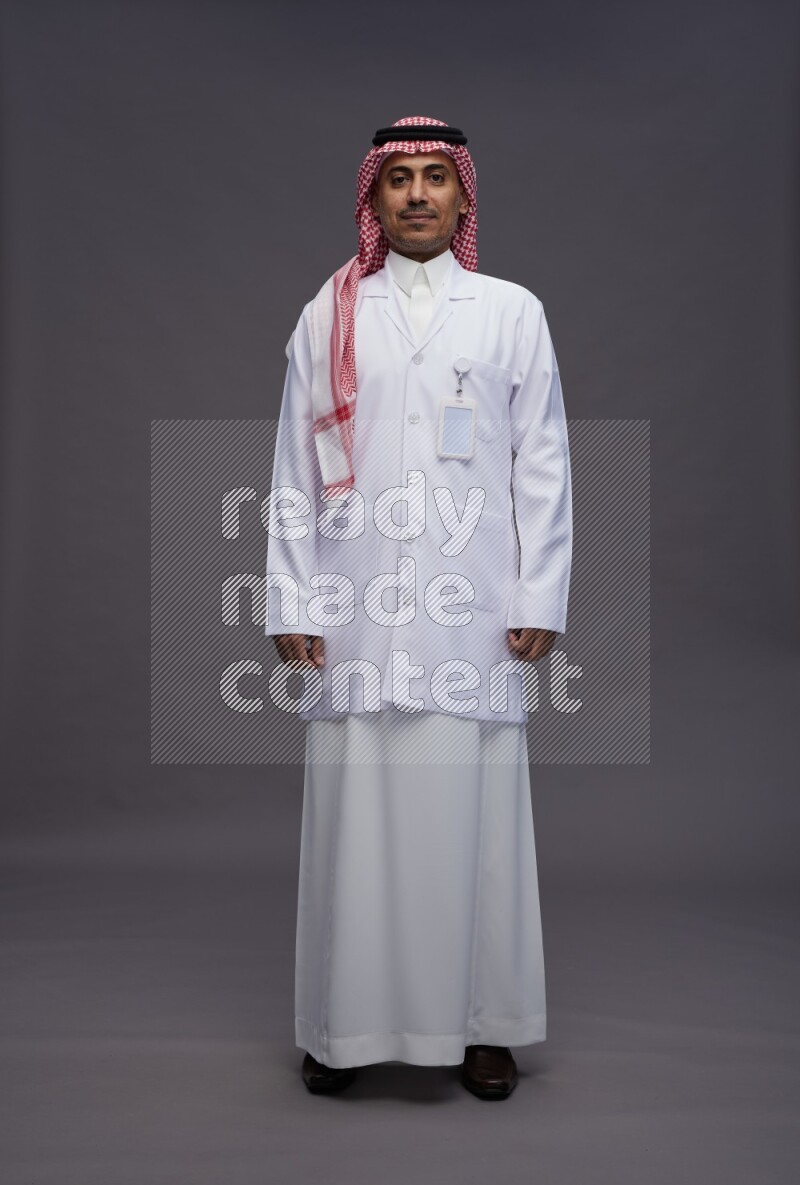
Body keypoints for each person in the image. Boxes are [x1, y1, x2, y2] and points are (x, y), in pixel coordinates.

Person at [264, 115, 572, 1100]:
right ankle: (341, 1028)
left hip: (470, 605)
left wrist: (538, 592)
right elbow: (290, 472)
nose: (416, 196)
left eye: (434, 178)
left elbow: (545, 465)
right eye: (397, 180)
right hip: (354, 603)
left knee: (474, 821)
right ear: (373, 199)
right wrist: (289, 596)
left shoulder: (509, 311)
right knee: (356, 818)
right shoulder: (330, 316)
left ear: (463, 197)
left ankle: (484, 1025)